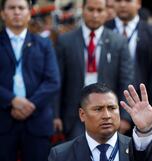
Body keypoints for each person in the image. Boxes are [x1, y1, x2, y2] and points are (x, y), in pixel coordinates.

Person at [0, 0, 60, 161]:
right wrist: (11, 100)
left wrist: (29, 104)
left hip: (36, 123)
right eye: (11, 7)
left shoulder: (43, 43)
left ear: (28, 13)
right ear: (3, 13)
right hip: (4, 120)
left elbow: (52, 81)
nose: (16, 12)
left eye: (21, 8)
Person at [54, 0, 133, 140]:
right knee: (77, 158)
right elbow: (58, 80)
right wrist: (55, 115)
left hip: (107, 114)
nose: (95, 15)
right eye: (91, 9)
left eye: (99, 10)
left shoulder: (118, 41)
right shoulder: (65, 41)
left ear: (106, 12)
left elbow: (126, 79)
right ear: (82, 10)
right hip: (74, 115)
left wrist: (125, 116)